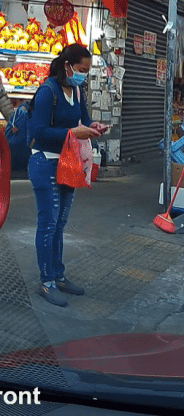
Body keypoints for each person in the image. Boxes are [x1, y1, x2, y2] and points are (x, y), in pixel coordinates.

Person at [29, 43, 108, 307]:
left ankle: (58, 275)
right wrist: (72, 134)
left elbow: (82, 120)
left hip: (68, 164)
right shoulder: (46, 92)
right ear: (67, 65)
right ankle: (46, 281)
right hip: (45, 163)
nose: (83, 75)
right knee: (48, 224)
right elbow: (38, 132)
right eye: (81, 69)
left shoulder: (76, 89)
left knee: (59, 225)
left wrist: (93, 127)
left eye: (86, 71)